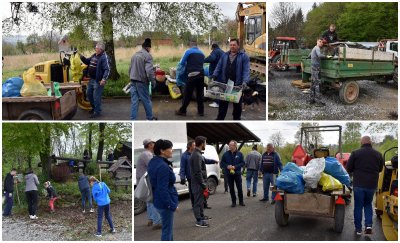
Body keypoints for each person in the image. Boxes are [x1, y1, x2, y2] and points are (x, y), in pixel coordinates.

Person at [346, 136, 384, 236]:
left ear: (362, 142)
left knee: (358, 206)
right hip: (372, 185)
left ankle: (358, 229)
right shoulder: (378, 154)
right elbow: (380, 169)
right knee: (368, 204)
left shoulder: (355, 153)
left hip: (359, 184)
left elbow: (348, 168)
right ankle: (368, 226)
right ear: (370, 142)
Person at [147, 139, 179, 241]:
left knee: (168, 230)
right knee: (167, 231)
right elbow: (163, 189)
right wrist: (171, 205)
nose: (172, 150)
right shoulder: (163, 166)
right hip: (165, 203)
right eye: (170, 148)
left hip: (157, 200)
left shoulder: (153, 161)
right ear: (162, 151)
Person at [212, 38, 250, 120]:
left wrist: (245, 82)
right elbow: (219, 66)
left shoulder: (244, 57)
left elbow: (246, 70)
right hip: (225, 84)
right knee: (222, 105)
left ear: (238, 46)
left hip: (237, 85)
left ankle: (237, 120)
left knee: (237, 107)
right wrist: (214, 75)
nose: (232, 46)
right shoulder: (224, 55)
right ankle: (219, 120)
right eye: (231, 45)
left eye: (234, 45)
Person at [129, 38, 157, 120]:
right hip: (141, 82)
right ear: (148, 47)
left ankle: (133, 119)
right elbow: (149, 71)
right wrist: (153, 82)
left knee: (134, 102)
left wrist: (131, 78)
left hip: (133, 81)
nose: (150, 50)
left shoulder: (134, 55)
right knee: (147, 101)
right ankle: (150, 118)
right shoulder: (147, 56)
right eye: (150, 48)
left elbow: (130, 69)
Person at [136, 138, 162, 230]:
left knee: (149, 201)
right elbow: (153, 166)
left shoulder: (146, 154)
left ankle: (151, 219)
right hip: (146, 181)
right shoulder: (147, 154)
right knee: (152, 200)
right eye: (153, 143)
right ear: (150, 145)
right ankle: (157, 222)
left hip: (144, 180)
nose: (154, 144)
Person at [80, 42, 110, 118]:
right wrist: (81, 57)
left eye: (96, 48)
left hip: (98, 80)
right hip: (91, 79)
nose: (95, 49)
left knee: (96, 96)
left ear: (101, 49)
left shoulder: (104, 57)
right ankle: (94, 108)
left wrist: (104, 79)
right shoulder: (94, 55)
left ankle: (97, 112)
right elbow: (87, 61)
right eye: (95, 48)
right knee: (89, 94)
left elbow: (107, 69)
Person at [175, 39, 205, 117]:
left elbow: (182, 63)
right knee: (199, 94)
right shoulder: (202, 53)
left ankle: (182, 111)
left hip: (192, 75)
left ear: (190, 45)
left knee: (187, 93)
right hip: (201, 75)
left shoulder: (188, 51)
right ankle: (201, 111)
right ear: (196, 46)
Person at [189, 136, 211, 227]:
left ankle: (201, 216)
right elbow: (198, 172)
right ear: (202, 144)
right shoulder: (196, 155)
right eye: (205, 143)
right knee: (197, 203)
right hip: (198, 184)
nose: (205, 144)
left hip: (198, 183)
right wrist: (203, 185)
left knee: (201, 201)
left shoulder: (197, 154)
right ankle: (198, 221)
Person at [220, 140, 245, 207]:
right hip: (229, 174)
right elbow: (222, 163)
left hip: (237, 174)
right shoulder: (225, 154)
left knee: (239, 188)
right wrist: (227, 166)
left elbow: (243, 163)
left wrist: (235, 167)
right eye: (229, 145)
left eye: (230, 145)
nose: (229, 146)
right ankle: (233, 202)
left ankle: (241, 201)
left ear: (235, 146)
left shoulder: (240, 154)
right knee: (231, 188)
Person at [309, 38, 328, 106]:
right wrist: (326, 56)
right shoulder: (317, 48)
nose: (321, 43)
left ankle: (311, 100)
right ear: (317, 42)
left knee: (313, 84)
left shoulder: (314, 48)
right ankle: (318, 102)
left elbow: (309, 55)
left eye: (322, 42)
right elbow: (319, 55)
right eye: (320, 41)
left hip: (313, 68)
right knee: (317, 85)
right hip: (315, 68)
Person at [204, 43, 224, 108]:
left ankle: (217, 103)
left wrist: (203, 60)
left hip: (216, 72)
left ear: (212, 48)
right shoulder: (222, 52)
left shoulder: (215, 51)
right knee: (221, 87)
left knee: (216, 87)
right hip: (222, 72)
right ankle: (221, 102)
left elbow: (212, 58)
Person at [179, 141, 196, 207]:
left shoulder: (195, 153)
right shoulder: (184, 155)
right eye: (194, 145)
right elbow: (182, 167)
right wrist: (182, 177)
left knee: (199, 191)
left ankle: (202, 204)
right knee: (192, 192)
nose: (195, 146)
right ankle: (194, 205)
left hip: (197, 176)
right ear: (190, 147)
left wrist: (212, 161)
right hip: (190, 177)